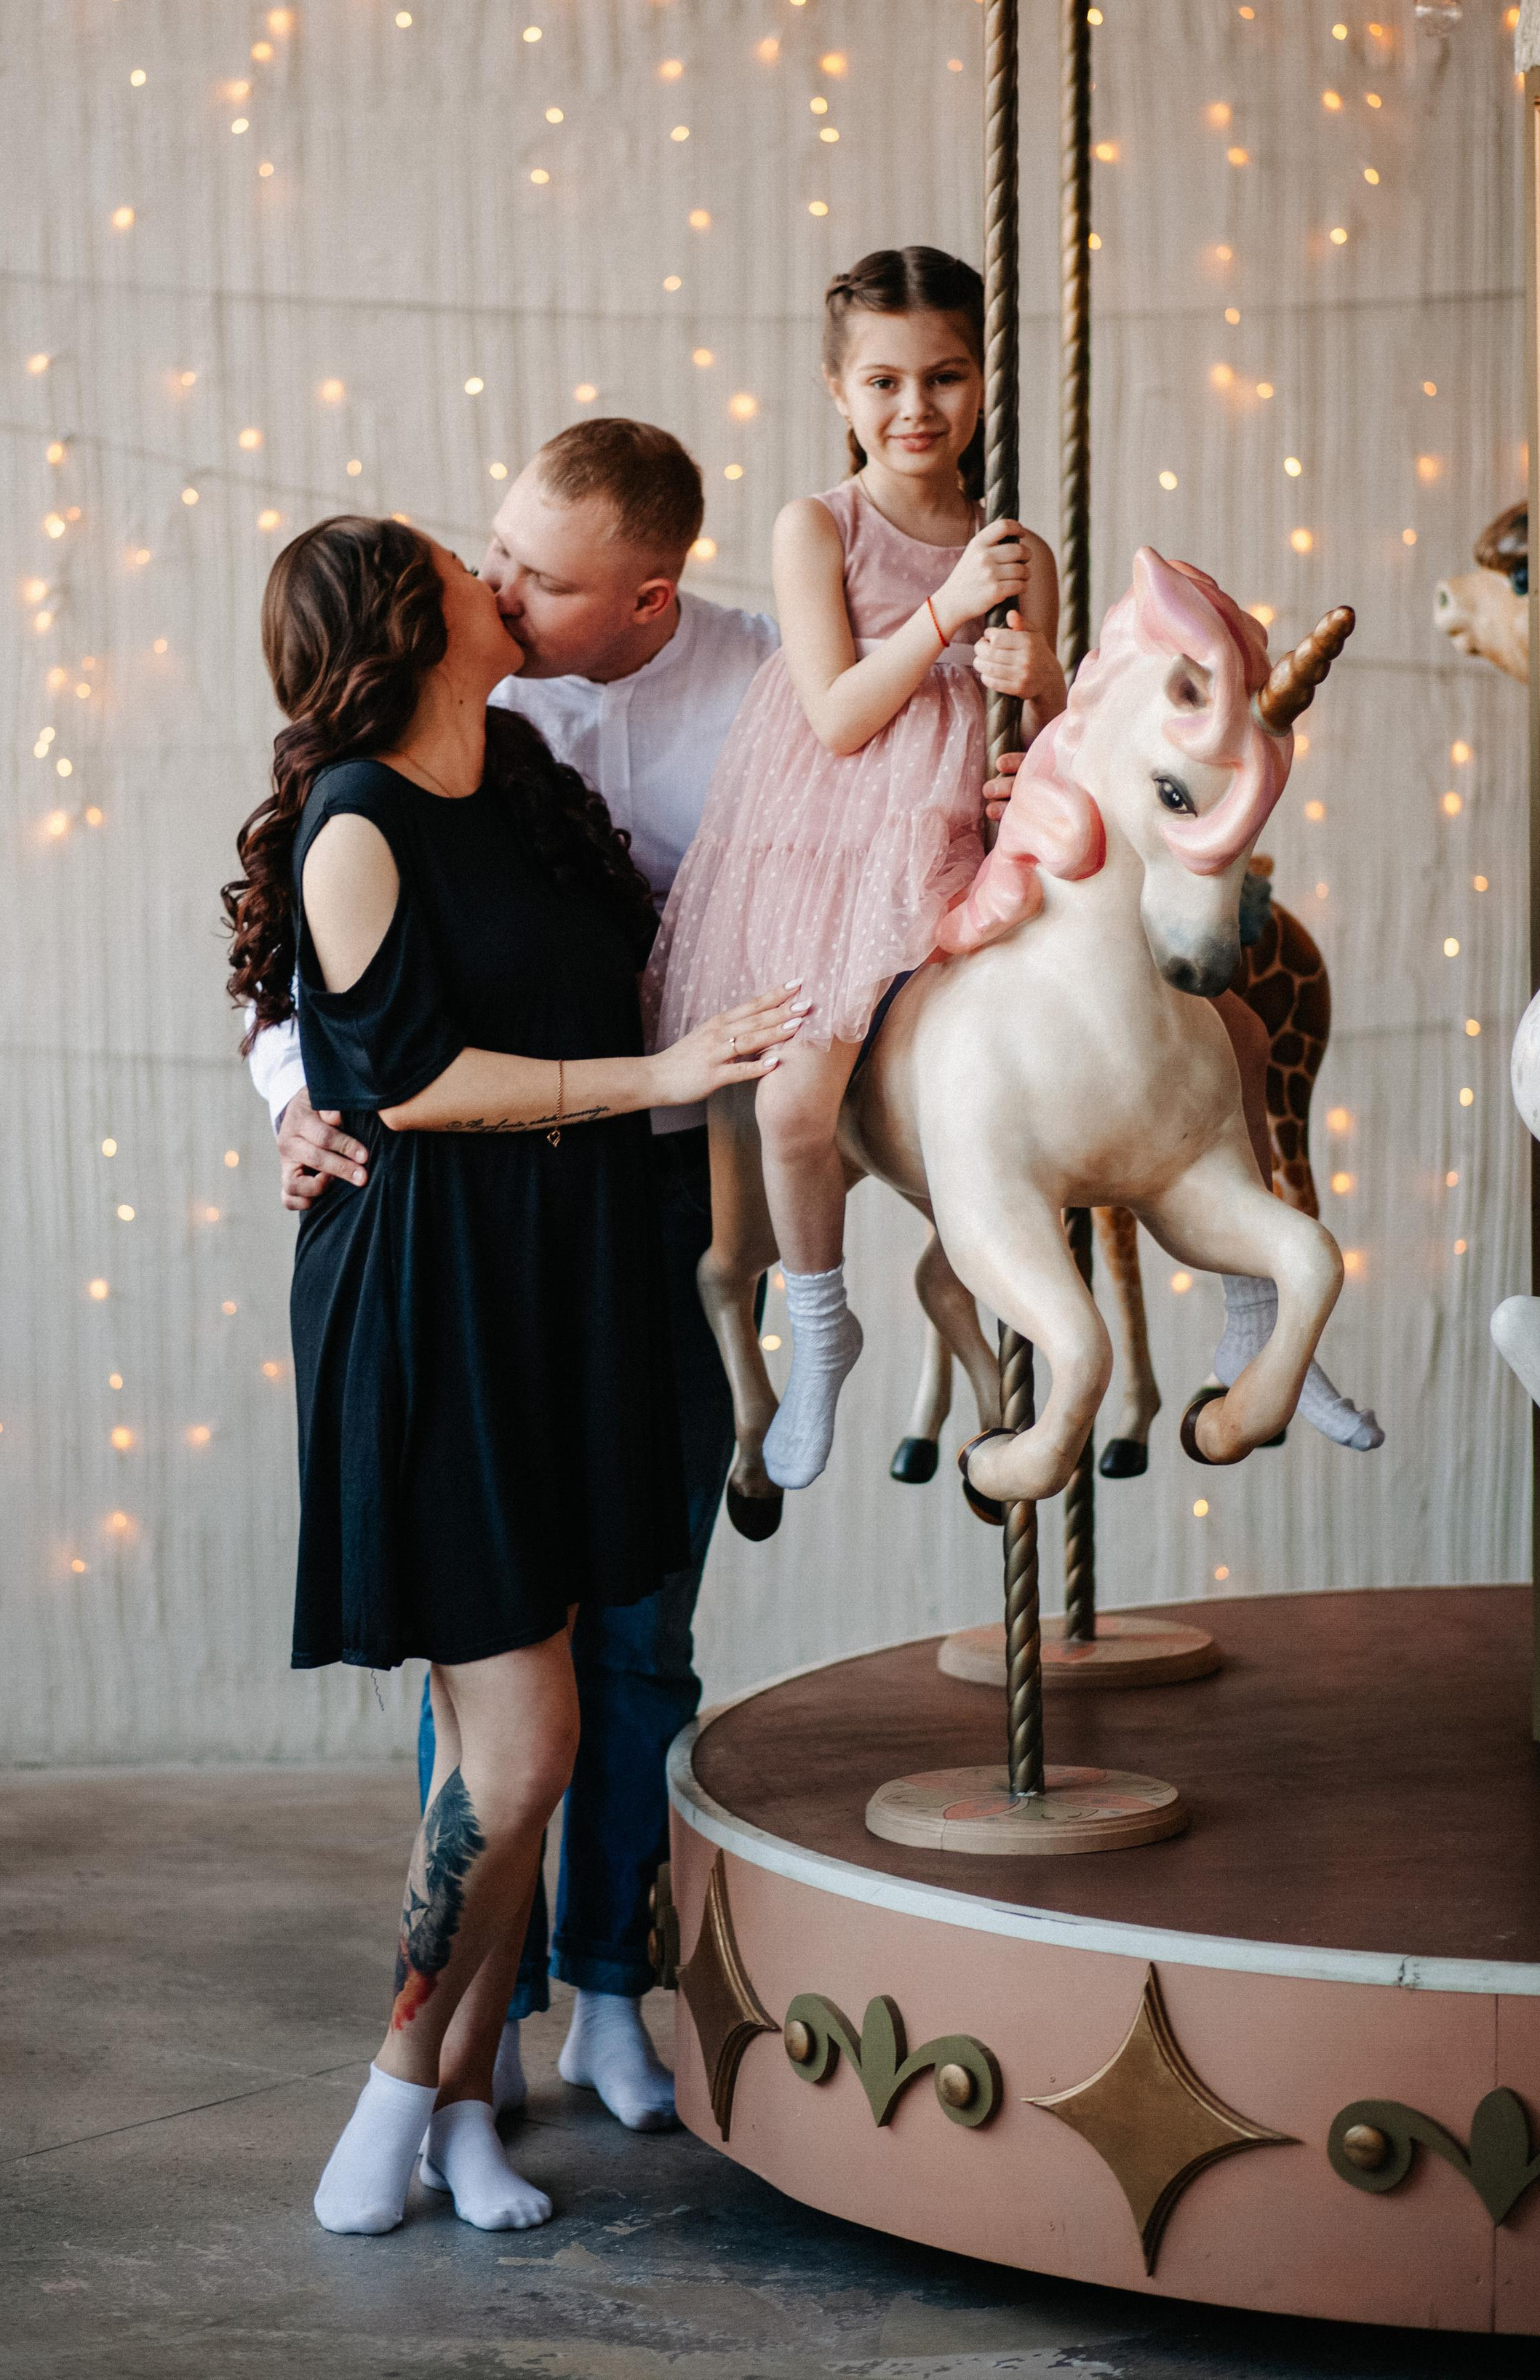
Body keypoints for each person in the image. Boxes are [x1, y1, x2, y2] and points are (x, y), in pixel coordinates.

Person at [224, 515, 801, 2235]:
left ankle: (465, 2112)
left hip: (562, 1291)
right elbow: (399, 1083)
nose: (492, 568)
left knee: (524, 1748)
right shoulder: (354, 821)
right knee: (523, 1738)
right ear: (409, 624)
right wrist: (654, 1076)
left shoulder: (527, 781)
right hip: (434, 1304)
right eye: (458, 560)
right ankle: (390, 2102)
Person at [647, 247, 1066, 1495]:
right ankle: (821, 1331)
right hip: (838, 848)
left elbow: (1045, 740)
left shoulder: (1014, 550)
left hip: (956, 839)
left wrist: (1037, 690)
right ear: (839, 390)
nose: (915, 409)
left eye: (943, 377)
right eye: (884, 381)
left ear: (983, 384)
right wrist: (944, 620)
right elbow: (837, 714)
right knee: (788, 1104)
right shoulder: (815, 526)